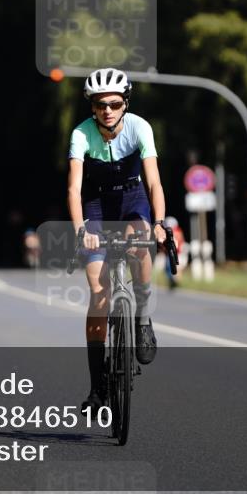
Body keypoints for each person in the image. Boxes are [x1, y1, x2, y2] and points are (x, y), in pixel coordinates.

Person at [67, 68, 169, 412]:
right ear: (92, 107)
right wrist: (81, 229)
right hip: (96, 204)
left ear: (124, 103)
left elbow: (153, 181)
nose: (107, 110)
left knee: (138, 238)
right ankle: (97, 389)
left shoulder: (140, 127)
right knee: (99, 295)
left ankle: (141, 318)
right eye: (100, 104)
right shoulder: (81, 134)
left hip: (132, 198)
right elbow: (74, 188)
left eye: (113, 103)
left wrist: (158, 222)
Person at [162, 216, 186, 290]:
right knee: (169, 269)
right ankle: (173, 282)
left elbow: (180, 242)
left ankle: (175, 282)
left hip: (177, 253)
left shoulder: (176, 231)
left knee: (176, 268)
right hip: (171, 253)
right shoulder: (174, 231)